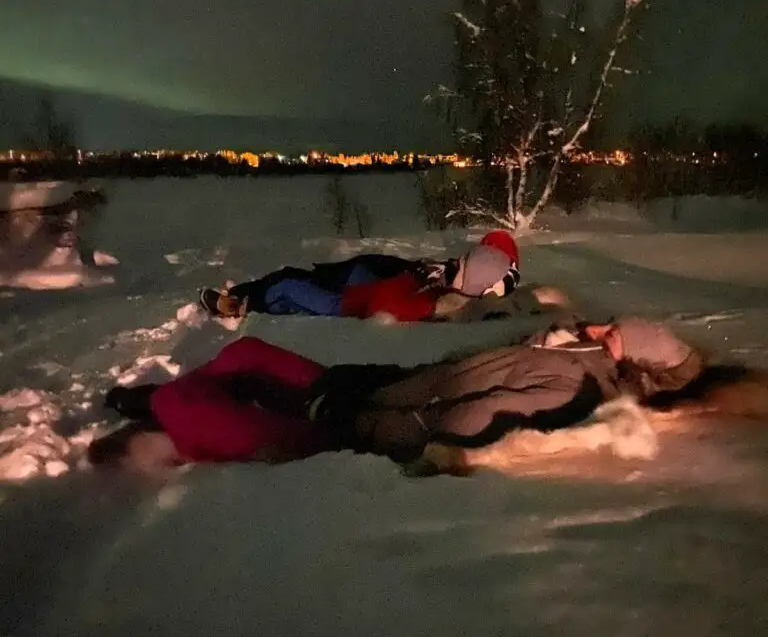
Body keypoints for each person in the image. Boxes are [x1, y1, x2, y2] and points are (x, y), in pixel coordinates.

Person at [89, 316, 704, 476]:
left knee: (214, 408)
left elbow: (478, 412)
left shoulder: (577, 379)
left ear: (625, 354)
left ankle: (152, 437)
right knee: (245, 358)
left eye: (615, 333)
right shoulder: (567, 344)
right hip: (378, 384)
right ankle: (151, 404)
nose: (601, 327)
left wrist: (369, 421)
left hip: (364, 425)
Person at [198, 231, 521, 323]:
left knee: (288, 285)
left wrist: (413, 278)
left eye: (465, 263)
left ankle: (239, 305)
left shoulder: (442, 301)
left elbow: (386, 305)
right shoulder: (453, 286)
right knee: (291, 281)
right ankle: (244, 296)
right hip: (362, 288)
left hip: (351, 300)